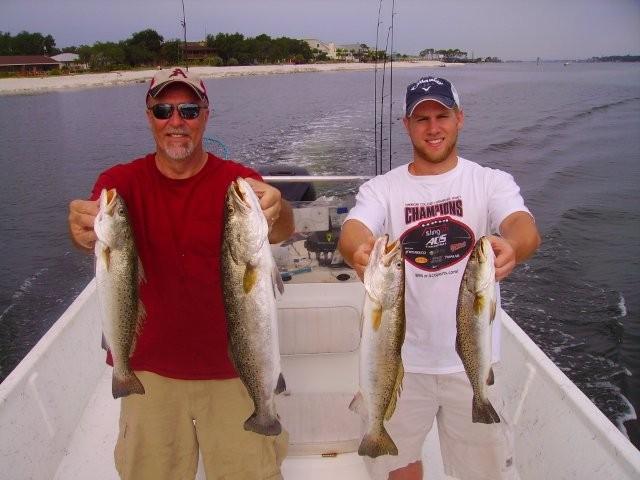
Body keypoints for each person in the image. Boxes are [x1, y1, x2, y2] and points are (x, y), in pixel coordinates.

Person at [68, 68, 293, 480]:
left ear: (205, 114)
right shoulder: (120, 183)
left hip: (233, 368)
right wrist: (82, 230)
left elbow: (280, 230)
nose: (176, 121)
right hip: (148, 370)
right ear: (148, 115)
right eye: (163, 110)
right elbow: (93, 237)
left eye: (188, 110)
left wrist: (278, 213)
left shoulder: (237, 184)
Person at [338, 76, 541, 480]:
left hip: (471, 365)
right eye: (422, 118)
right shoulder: (383, 188)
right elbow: (354, 229)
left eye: (442, 116)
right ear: (406, 125)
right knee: (396, 466)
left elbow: (523, 225)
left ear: (459, 118)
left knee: (482, 473)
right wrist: (359, 249)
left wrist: (513, 247)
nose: (433, 128)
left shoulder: (488, 181)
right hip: (399, 362)